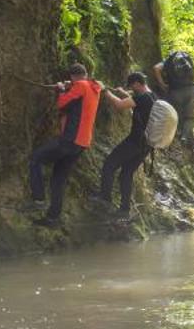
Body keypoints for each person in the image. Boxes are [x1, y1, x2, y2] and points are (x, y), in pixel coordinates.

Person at [26, 65, 130, 226]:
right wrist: (69, 86)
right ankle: (53, 218)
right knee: (58, 179)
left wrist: (61, 89)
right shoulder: (94, 88)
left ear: (74, 76)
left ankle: (38, 199)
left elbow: (62, 103)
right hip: (82, 143)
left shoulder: (80, 86)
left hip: (70, 139)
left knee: (35, 159)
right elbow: (77, 101)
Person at [98, 71, 157, 222]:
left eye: (132, 86)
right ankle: (124, 210)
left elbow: (119, 105)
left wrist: (104, 90)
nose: (131, 89)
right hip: (147, 145)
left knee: (109, 164)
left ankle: (105, 200)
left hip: (135, 141)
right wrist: (123, 93)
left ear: (137, 83)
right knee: (126, 173)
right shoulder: (152, 96)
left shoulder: (141, 97)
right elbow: (134, 101)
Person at [151, 50, 194, 148]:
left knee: (175, 114)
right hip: (190, 90)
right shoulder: (188, 60)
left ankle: (173, 136)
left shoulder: (169, 61)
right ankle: (184, 136)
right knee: (189, 117)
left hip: (175, 91)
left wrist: (162, 84)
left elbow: (156, 68)